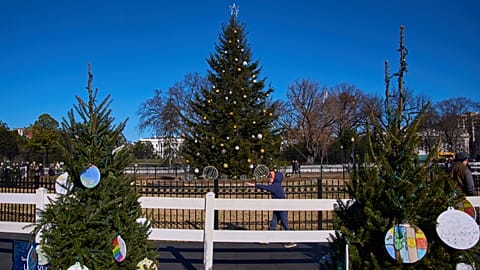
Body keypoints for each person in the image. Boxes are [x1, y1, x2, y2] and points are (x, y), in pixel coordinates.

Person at [244, 170, 297, 248]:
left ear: (276, 178)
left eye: (271, 177)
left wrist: (253, 185)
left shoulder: (276, 186)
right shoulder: (276, 185)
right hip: (278, 207)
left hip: (282, 208)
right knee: (273, 223)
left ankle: (291, 241)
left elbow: (266, 187)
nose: (269, 178)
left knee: (284, 224)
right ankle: (268, 238)